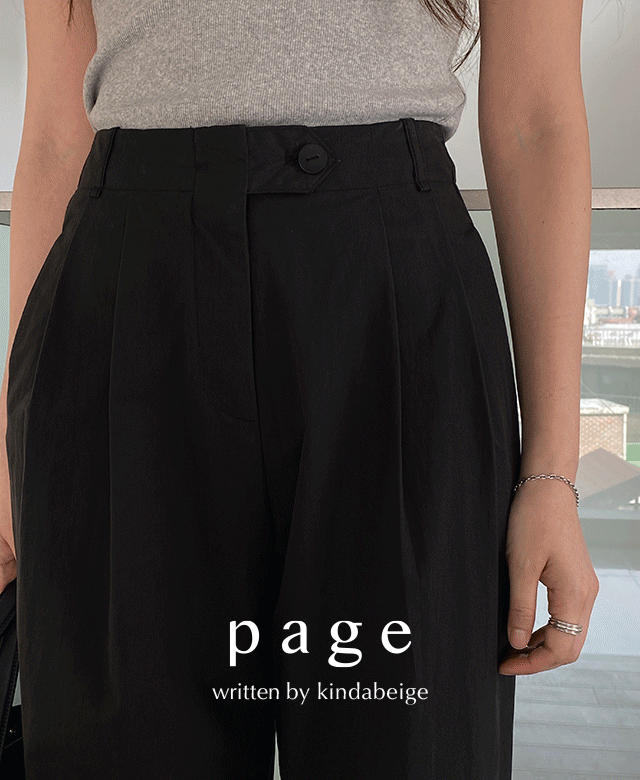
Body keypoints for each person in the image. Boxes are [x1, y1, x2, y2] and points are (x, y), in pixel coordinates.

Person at [1, 0, 599, 778]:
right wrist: (11, 453)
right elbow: (55, 134)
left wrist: (552, 472)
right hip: (123, 312)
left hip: (393, 319)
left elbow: (536, 119)